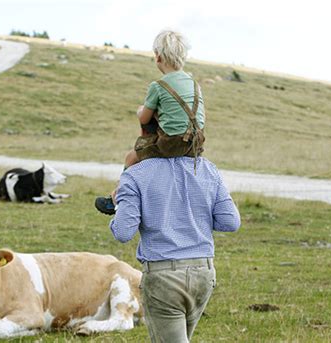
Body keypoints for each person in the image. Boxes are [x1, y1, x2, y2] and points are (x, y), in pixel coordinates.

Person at [109, 156, 240, 343]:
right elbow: (230, 222)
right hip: (203, 273)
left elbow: (123, 232)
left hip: (163, 277)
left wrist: (119, 206)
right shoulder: (208, 169)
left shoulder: (135, 174)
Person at [95, 29, 206, 215]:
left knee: (131, 157)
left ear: (158, 56)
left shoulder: (158, 86)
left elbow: (144, 118)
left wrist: (140, 110)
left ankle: (116, 199)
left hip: (171, 144)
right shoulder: (195, 85)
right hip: (196, 144)